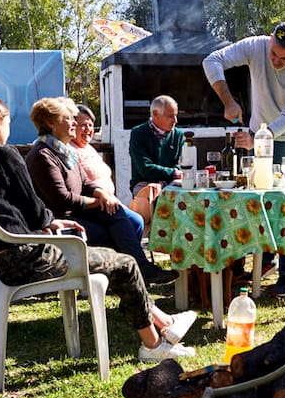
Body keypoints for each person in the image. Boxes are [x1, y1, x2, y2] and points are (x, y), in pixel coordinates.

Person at [0, 93, 197, 362]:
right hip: (30, 256)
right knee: (125, 263)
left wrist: (49, 221)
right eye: (6, 119)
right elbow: (34, 209)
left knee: (116, 254)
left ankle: (165, 323)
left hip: (1, 257)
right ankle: (154, 345)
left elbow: (11, 211)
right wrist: (47, 221)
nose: (9, 126)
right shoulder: (5, 155)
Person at [203, 21, 285, 298]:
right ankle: (266, 259)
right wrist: (228, 101)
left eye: (283, 58)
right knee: (260, 197)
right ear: (269, 41)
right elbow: (212, 60)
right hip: (260, 132)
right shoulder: (256, 46)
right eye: (273, 54)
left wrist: (259, 138)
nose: (275, 61)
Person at [25, 97, 176, 286]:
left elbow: (86, 181)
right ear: (50, 123)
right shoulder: (42, 155)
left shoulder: (64, 151)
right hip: (62, 220)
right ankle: (132, 274)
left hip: (80, 211)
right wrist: (98, 202)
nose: (74, 123)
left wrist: (101, 194)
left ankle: (134, 273)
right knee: (112, 229)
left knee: (125, 216)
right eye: (68, 118)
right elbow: (62, 199)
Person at [126, 95, 184, 225]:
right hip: (144, 182)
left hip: (171, 182)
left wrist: (169, 179)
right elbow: (144, 168)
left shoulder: (179, 135)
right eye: (170, 116)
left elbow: (182, 165)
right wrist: (172, 173)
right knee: (152, 196)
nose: (175, 120)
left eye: (176, 115)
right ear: (155, 114)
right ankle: (151, 236)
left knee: (185, 197)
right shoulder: (138, 134)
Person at [71, 103, 115, 196]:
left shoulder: (89, 148)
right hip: (92, 205)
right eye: (83, 125)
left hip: (108, 201)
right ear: (73, 126)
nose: (88, 129)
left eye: (90, 125)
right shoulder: (69, 151)